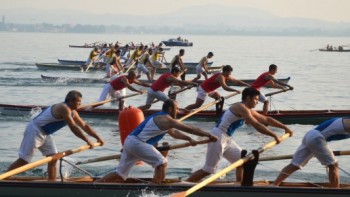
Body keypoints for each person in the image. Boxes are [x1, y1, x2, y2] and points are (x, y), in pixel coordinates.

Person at [96, 99, 218, 184]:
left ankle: (97, 184)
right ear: (170, 109)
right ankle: (155, 189)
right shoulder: (166, 119)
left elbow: (174, 133)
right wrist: (208, 135)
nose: (178, 111)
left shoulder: (160, 117)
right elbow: (189, 128)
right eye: (177, 109)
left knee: (121, 174)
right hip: (137, 143)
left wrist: (189, 139)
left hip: (131, 142)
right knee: (162, 163)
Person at [186, 87, 293, 183]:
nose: (257, 102)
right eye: (255, 99)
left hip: (226, 138)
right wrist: (274, 135)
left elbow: (266, 119)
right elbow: (256, 125)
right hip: (217, 137)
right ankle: (184, 185)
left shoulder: (248, 109)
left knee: (242, 162)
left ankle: (238, 185)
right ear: (248, 98)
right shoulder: (240, 107)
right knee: (208, 170)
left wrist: (285, 128)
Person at [6, 90, 105, 181]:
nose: (80, 104)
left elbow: (84, 125)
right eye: (78, 102)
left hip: (45, 133)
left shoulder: (73, 112)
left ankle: (51, 182)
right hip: (35, 130)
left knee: (54, 158)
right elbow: (73, 127)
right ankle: (5, 178)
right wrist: (87, 141)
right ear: (71, 101)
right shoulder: (64, 108)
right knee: (24, 160)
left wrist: (98, 138)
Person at [273, 117, 350, 188]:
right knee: (333, 165)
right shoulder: (347, 121)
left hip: (310, 135)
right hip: (317, 138)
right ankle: (335, 191)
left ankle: (274, 186)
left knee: (295, 164)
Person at [185, 65, 250, 111]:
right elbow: (225, 87)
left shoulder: (227, 76)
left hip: (209, 90)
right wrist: (236, 90)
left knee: (218, 98)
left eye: (230, 73)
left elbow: (237, 81)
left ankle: (218, 112)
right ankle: (184, 111)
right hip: (203, 89)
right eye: (229, 73)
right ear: (225, 71)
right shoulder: (220, 77)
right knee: (197, 105)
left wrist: (248, 85)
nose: (229, 74)